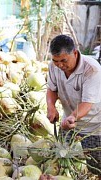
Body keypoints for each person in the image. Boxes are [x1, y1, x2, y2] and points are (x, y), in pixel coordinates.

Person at [46, 34, 101, 179]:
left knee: (96, 167)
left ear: (75, 53)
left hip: (94, 126)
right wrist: (51, 106)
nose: (59, 65)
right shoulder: (53, 66)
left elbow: (87, 103)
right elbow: (52, 89)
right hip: (68, 123)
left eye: (63, 60)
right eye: (55, 61)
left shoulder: (92, 69)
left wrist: (73, 116)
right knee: (61, 160)